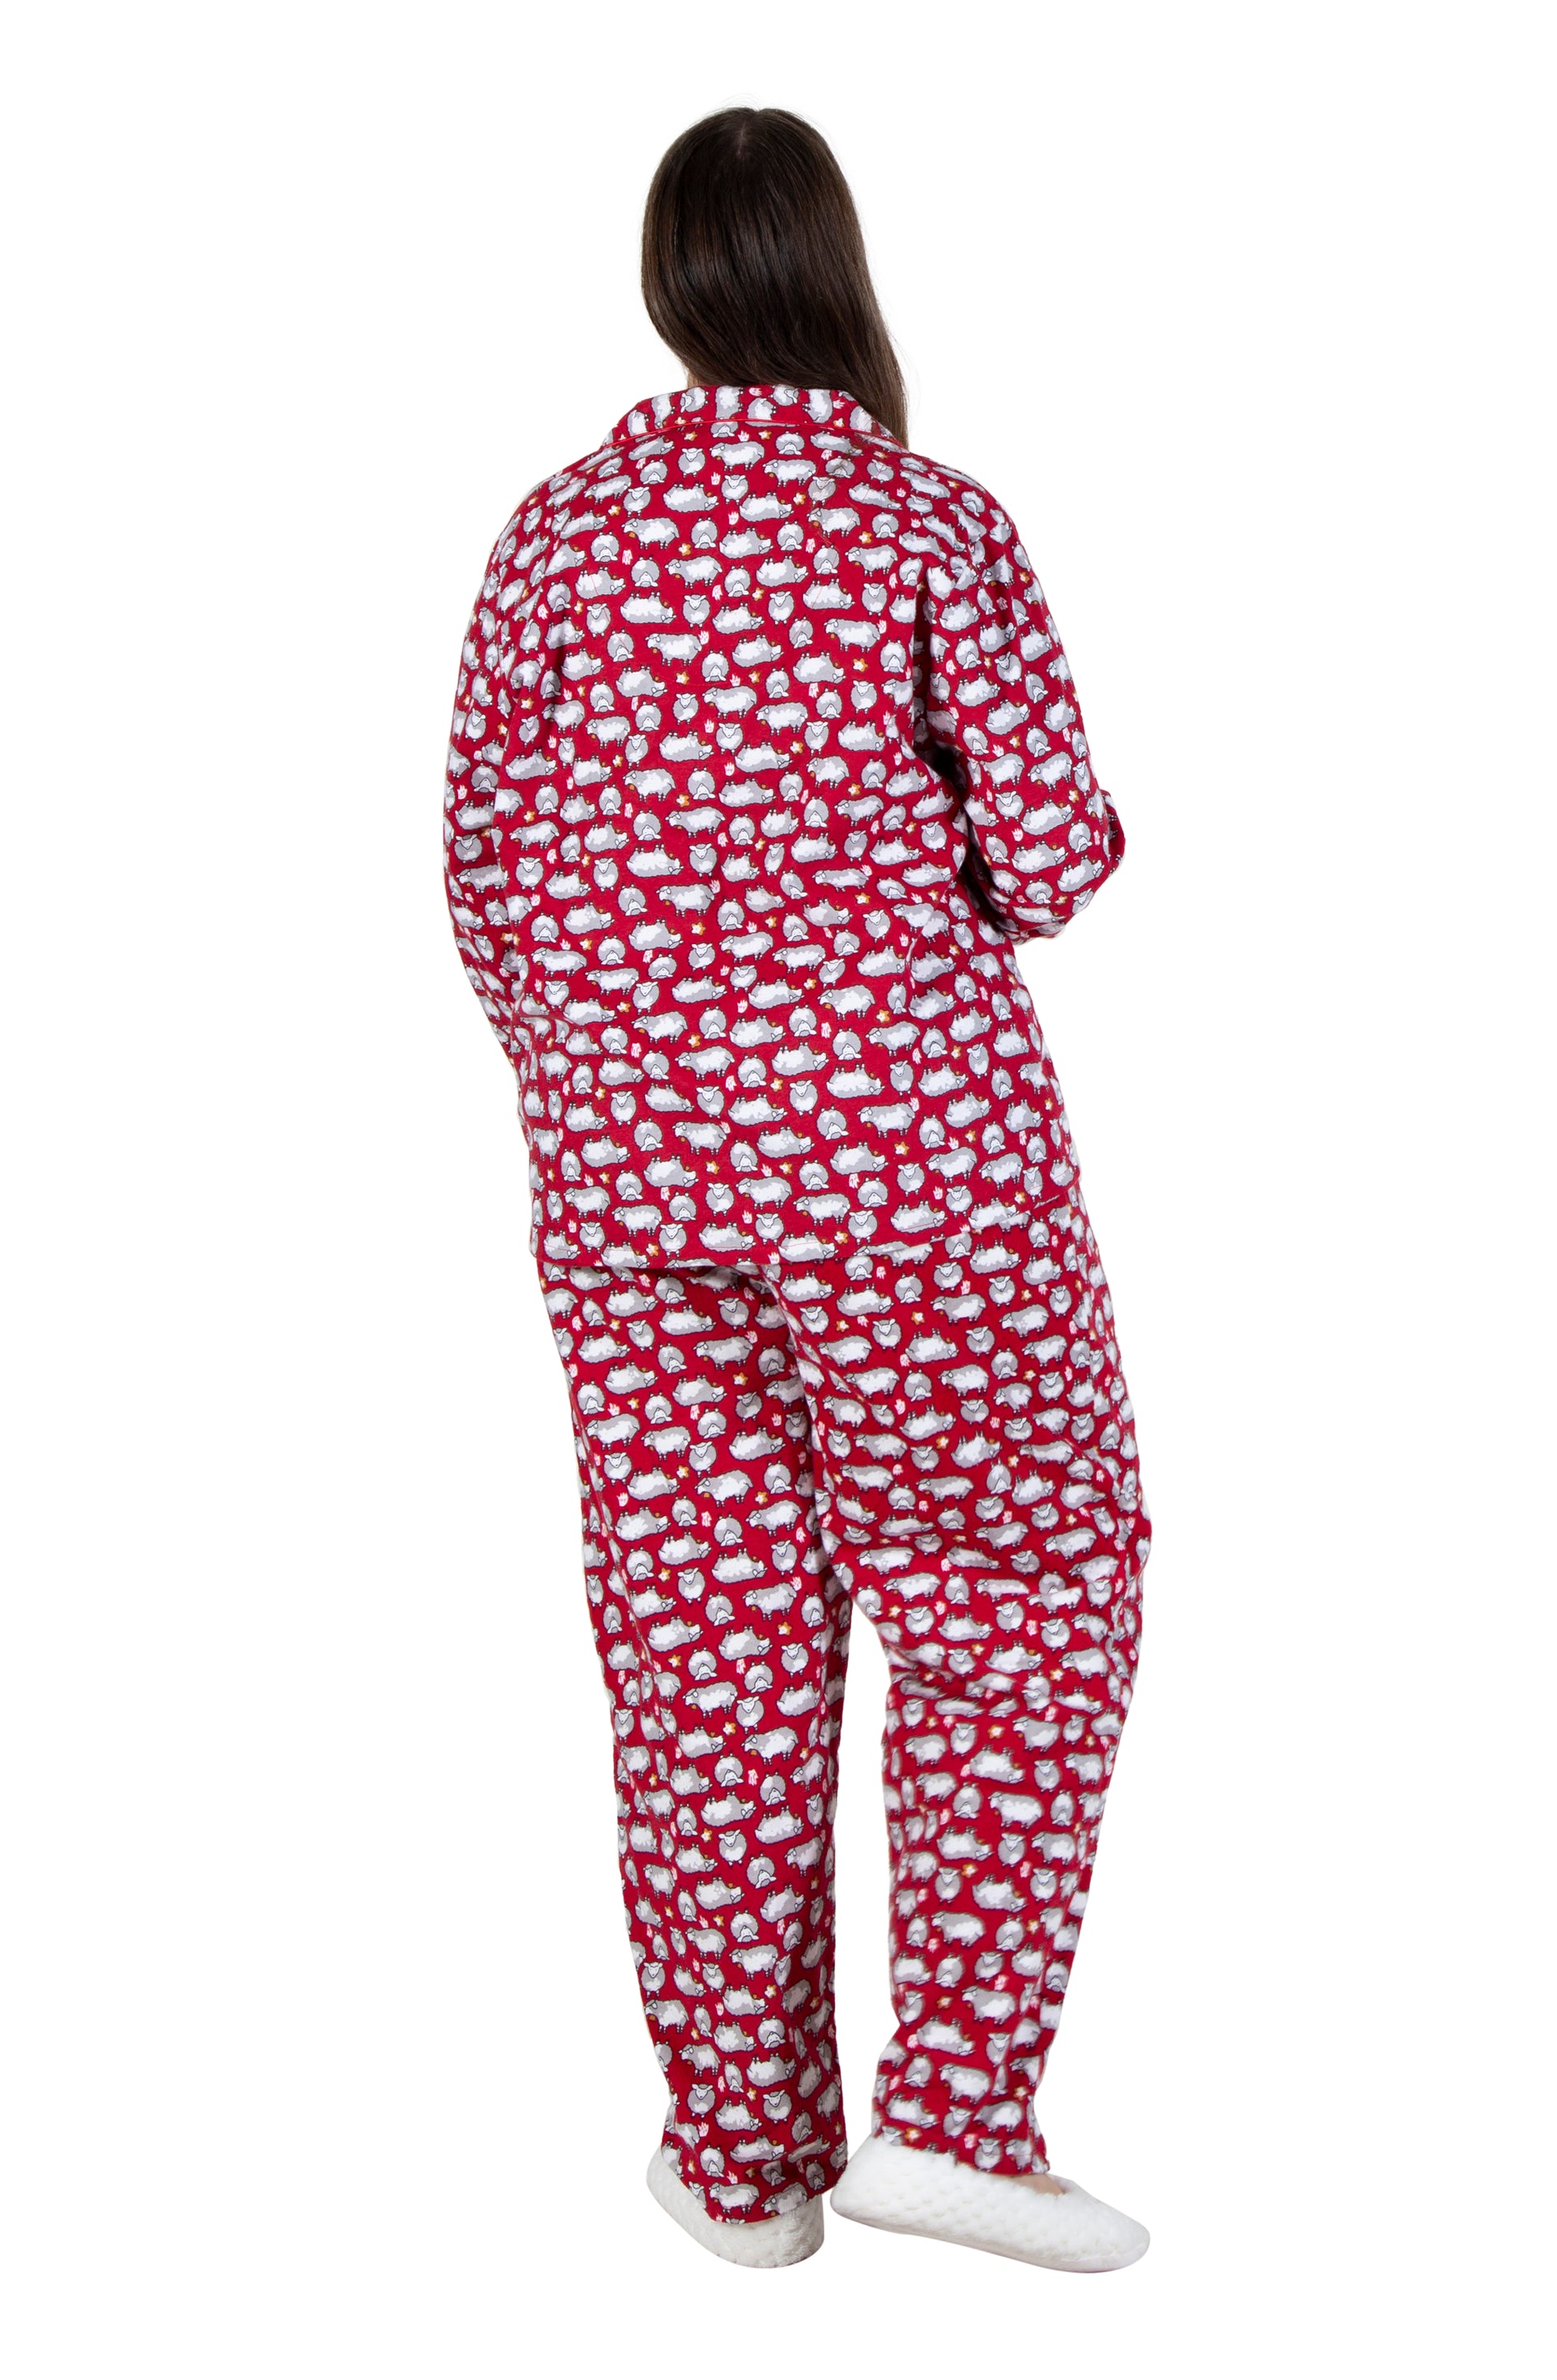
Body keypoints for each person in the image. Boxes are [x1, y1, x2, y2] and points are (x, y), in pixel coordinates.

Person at [443, 106, 1152, 2273]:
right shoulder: (926, 523)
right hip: (915, 1173)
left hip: (630, 1190)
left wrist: (624, 1081)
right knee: (1015, 1585)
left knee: (707, 1644)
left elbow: (485, 882)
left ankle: (741, 2160)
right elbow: (1053, 857)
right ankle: (956, 2120)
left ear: (670, 285)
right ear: (833, 268)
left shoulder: (551, 542)